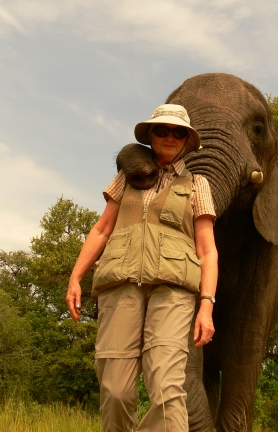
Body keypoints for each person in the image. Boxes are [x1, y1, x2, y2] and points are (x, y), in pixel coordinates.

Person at [66, 104, 218, 432]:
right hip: (120, 285)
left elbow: (207, 250)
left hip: (174, 291)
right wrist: (76, 277)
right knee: (115, 391)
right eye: (162, 130)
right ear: (150, 135)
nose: (170, 137)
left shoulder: (197, 185)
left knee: (167, 388)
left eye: (179, 132)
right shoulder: (127, 177)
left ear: (187, 140)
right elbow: (102, 229)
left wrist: (206, 304)